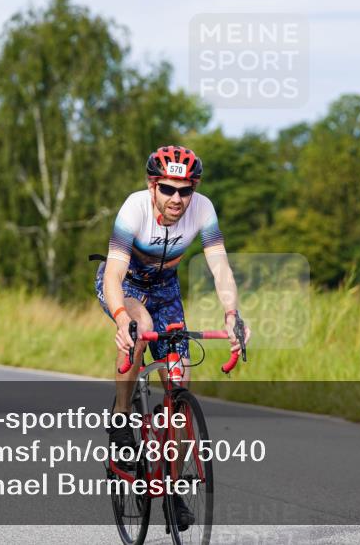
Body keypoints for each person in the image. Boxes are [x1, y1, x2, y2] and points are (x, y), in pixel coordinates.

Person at [94, 145, 250, 530]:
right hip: (126, 286)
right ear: (153, 186)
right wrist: (119, 319)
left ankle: (174, 490)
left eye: (185, 190)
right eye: (168, 189)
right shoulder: (133, 209)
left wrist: (232, 315)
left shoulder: (203, 208)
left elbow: (221, 268)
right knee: (140, 325)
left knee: (180, 386)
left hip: (165, 288)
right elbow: (113, 275)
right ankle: (120, 416)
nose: (177, 198)